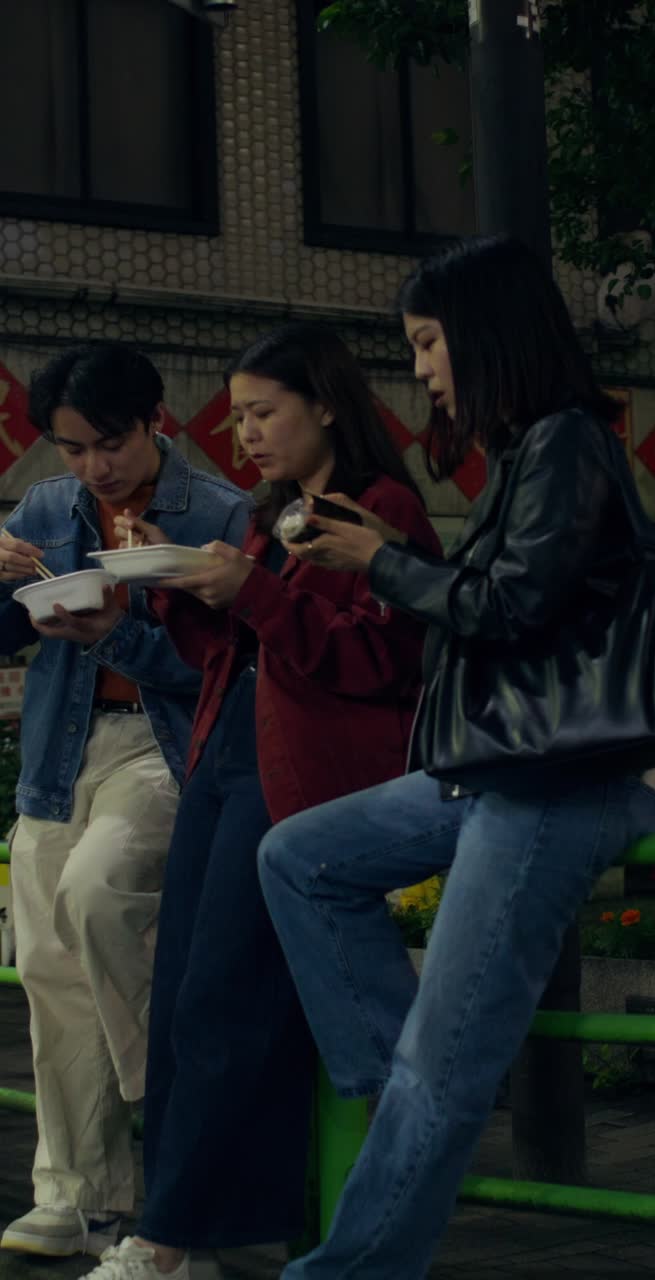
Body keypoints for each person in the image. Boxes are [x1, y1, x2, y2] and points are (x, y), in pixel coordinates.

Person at [257, 236, 655, 1279]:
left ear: (485, 334)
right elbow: (498, 599)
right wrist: (391, 551)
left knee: (438, 1067)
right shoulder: (533, 450)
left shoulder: (567, 443)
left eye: (426, 341)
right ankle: (403, 1089)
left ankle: (365, 1231)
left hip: (567, 775)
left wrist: (383, 560)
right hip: (509, 765)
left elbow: (507, 608)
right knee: (298, 857)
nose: (418, 367)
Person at [84, 322, 441, 1280]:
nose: (246, 434)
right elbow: (234, 656)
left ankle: (171, 1242)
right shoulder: (272, 509)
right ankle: (206, 1229)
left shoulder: (380, 505)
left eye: (264, 413)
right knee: (182, 1005)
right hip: (226, 757)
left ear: (325, 403)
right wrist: (170, 592)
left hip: (304, 775)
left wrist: (247, 590)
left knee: (224, 1000)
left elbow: (376, 661)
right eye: (238, 416)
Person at [0, 343, 252, 1259]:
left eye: (108, 442)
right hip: (56, 761)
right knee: (47, 975)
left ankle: (183, 1137)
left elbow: (217, 671)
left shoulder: (219, 512)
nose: (92, 467)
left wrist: (119, 637)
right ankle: (79, 1196)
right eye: (71, 449)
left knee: (99, 895)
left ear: (155, 422)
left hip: (166, 752)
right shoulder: (45, 509)